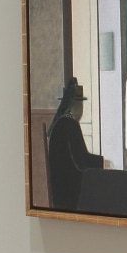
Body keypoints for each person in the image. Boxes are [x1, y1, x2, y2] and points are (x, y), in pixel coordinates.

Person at [46, 78, 102, 211]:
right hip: (69, 190)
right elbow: (80, 159)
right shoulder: (70, 124)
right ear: (74, 106)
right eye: (80, 105)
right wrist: (101, 162)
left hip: (60, 187)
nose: (82, 109)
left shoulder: (61, 123)